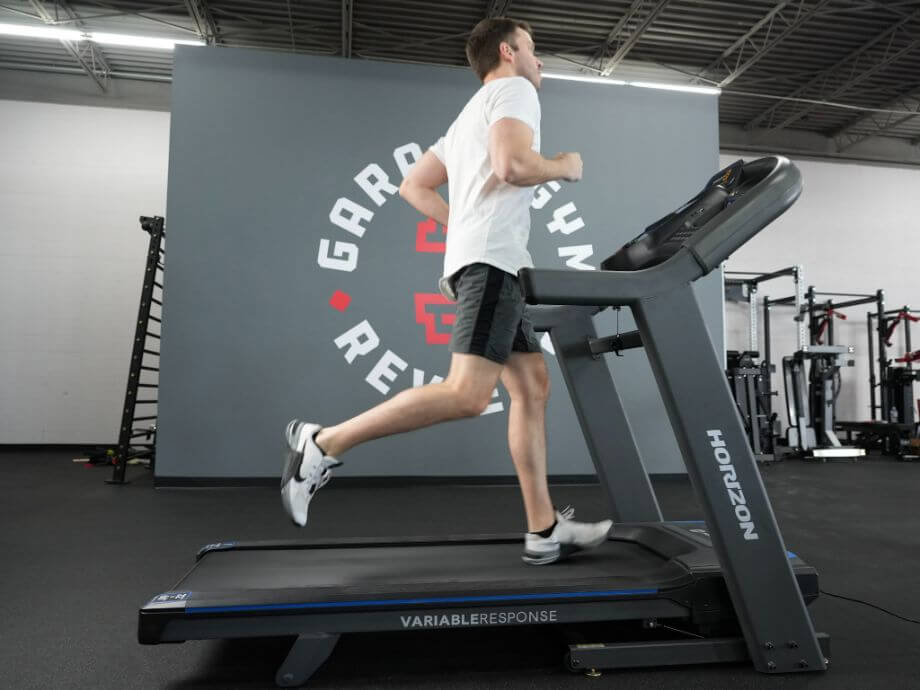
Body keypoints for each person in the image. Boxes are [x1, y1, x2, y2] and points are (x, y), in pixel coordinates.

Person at [281, 17, 612, 565]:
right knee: (469, 395)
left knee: (531, 385)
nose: (540, 61)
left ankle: (543, 528)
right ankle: (322, 444)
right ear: (507, 52)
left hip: (493, 262)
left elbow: (414, 185)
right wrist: (565, 168)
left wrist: (463, 225)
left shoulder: (466, 119)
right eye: (533, 49)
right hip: (492, 265)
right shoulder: (515, 90)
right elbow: (512, 165)